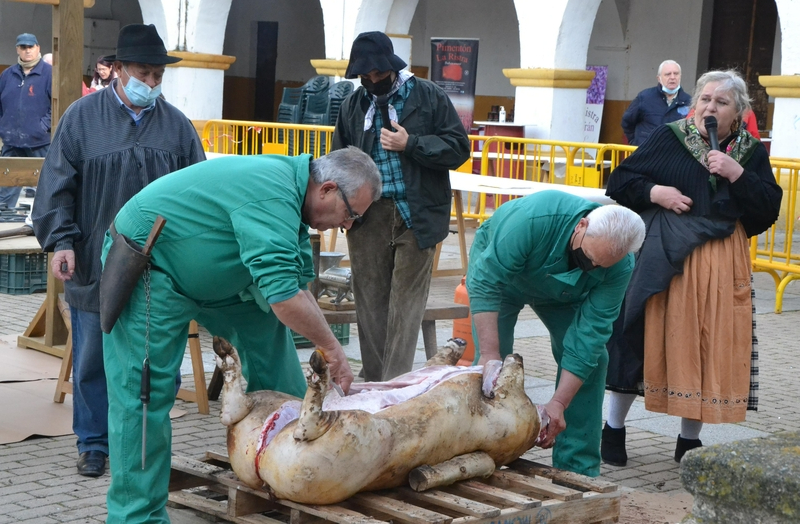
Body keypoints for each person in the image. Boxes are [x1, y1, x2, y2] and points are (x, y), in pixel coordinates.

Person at [101, 146, 380, 522]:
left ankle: (291, 470)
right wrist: (334, 349)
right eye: (351, 214)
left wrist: (327, 358)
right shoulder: (273, 192)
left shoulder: (296, 200)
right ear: (327, 189)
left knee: (271, 346)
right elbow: (283, 297)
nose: (347, 226)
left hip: (219, 278)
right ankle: (136, 516)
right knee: (144, 395)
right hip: (151, 264)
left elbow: (295, 288)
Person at [31, 24, 205, 479]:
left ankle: (142, 442)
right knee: (91, 358)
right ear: (119, 71)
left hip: (158, 265)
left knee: (151, 359)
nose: (150, 83)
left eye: (157, 77)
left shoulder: (177, 126)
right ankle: (93, 443)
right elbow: (56, 185)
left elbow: (198, 193)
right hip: (94, 256)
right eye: (142, 74)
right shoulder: (81, 118)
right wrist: (61, 241)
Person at [602, 70, 782, 467]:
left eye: (721, 102)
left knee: (708, 346)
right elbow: (620, 180)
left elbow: (768, 207)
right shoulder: (671, 137)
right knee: (638, 335)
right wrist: (656, 193)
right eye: (705, 99)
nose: (710, 108)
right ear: (694, 102)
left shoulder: (750, 153)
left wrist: (737, 175)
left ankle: (688, 442)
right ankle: (612, 430)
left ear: (739, 112)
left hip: (722, 261)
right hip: (666, 256)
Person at [466, 191, 646, 477]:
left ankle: (577, 471)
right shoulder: (530, 219)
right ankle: (482, 457)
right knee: (491, 370)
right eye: (588, 259)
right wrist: (489, 354)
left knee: (594, 361)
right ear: (581, 226)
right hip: (504, 282)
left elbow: (590, 334)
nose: (592, 268)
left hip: (562, 294)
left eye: (601, 266)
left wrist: (558, 403)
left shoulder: (620, 266)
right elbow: (486, 284)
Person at [331, 31, 470, 382]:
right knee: (371, 305)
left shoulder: (427, 96)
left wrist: (412, 144)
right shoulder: (353, 105)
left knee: (405, 308)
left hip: (417, 213)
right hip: (368, 215)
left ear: (392, 68)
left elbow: (458, 148)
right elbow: (338, 161)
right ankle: (376, 382)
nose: (373, 81)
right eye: (366, 76)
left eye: (379, 73)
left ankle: (396, 385)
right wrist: (340, 211)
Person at [0, 33, 52, 208]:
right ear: (17, 49)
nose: (27, 50)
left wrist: (42, 126)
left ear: (38, 48)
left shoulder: (49, 74)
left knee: (48, 186)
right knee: (5, 191)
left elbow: (57, 105)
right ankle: (4, 222)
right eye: (23, 47)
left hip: (40, 142)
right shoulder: (8, 74)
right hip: (11, 143)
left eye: (31, 47)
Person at [621, 60, 691, 146]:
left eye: (676, 73)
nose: (672, 77)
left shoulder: (689, 101)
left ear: (680, 76)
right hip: (646, 153)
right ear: (659, 78)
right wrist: (635, 142)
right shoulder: (645, 97)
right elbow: (627, 121)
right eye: (668, 74)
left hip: (672, 155)